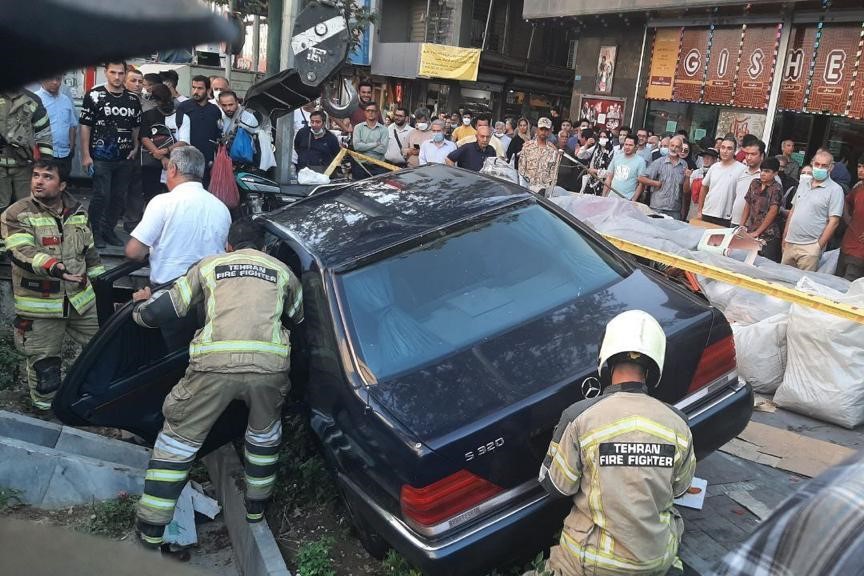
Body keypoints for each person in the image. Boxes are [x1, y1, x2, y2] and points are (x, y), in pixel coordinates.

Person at [131, 217, 304, 548]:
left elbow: (164, 310)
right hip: (269, 368)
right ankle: (255, 509)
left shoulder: (210, 265)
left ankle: (150, 529)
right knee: (264, 436)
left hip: (213, 366)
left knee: (177, 442)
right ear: (264, 248)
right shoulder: (282, 271)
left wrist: (139, 310)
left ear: (228, 245)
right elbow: (297, 318)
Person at [529, 310, 695, 576]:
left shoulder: (580, 417)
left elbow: (558, 486)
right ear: (654, 366)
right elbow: (681, 487)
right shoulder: (678, 423)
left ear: (606, 359)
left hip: (591, 563)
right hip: (654, 560)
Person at [0, 159, 104, 410]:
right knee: (45, 368)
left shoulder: (78, 211)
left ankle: (94, 403)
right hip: (40, 307)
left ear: (62, 185)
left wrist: (102, 289)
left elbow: (91, 256)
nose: (38, 181)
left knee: (104, 350)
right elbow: (21, 250)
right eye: (36, 175)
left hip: (81, 301)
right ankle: (44, 413)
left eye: (47, 176)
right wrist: (55, 267)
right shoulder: (17, 213)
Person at [125, 146, 231, 285]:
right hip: (210, 293)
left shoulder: (162, 202)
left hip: (169, 294)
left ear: (172, 169)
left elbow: (134, 252)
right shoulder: (221, 208)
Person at [79, 60, 141, 248]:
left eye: (120, 73)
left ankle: (108, 230)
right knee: (101, 195)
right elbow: (85, 126)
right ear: (105, 73)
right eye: (113, 72)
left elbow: (136, 125)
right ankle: (94, 232)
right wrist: (85, 155)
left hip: (124, 157)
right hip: (100, 157)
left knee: (118, 197)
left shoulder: (132, 99)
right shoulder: (94, 95)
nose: (117, 77)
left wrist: (135, 146)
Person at [781, 149, 845, 271]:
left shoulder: (835, 190)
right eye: (817, 164)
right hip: (790, 243)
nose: (819, 168)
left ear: (830, 168)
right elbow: (793, 211)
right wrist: (785, 237)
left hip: (810, 247)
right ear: (812, 164)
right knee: (782, 283)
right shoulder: (803, 184)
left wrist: (818, 247)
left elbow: (834, 222)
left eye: (824, 166)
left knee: (801, 286)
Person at [138, 84, 186, 203]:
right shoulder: (148, 115)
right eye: (159, 100)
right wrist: (160, 155)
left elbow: (184, 141)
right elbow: (144, 137)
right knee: (151, 196)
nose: (162, 103)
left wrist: (164, 152)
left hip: (175, 162)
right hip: (152, 163)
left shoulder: (181, 116)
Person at [175, 75, 221, 185]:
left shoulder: (215, 110)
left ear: (208, 90)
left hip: (207, 159)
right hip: (187, 157)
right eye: (194, 87)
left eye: (200, 88)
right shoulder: (184, 107)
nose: (196, 91)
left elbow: (218, 135)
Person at [741, 157, 783, 262]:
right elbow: (748, 204)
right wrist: (741, 225)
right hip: (750, 229)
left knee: (763, 263)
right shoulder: (755, 183)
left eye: (767, 171)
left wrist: (758, 232)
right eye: (762, 170)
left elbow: (773, 211)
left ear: (775, 173)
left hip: (768, 235)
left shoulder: (776, 188)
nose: (763, 174)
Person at [697, 136, 745, 227]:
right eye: (723, 148)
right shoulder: (714, 167)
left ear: (734, 151)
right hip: (707, 212)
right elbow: (704, 187)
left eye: (729, 148)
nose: (725, 151)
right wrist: (700, 210)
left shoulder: (742, 169)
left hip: (726, 217)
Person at [35, 76, 77, 179]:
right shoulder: (35, 99)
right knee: (45, 190)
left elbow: (72, 125)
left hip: (64, 155)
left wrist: (71, 148)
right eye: (51, 78)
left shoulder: (65, 100)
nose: (55, 82)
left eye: (58, 79)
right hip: (44, 155)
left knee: (62, 187)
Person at [638, 135, 687, 219]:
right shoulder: (659, 162)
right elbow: (641, 178)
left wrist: (683, 209)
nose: (674, 148)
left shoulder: (684, 165)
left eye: (677, 146)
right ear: (668, 147)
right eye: (672, 145)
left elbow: (684, 190)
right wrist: (655, 183)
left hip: (675, 209)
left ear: (680, 149)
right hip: (658, 207)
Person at [836, 154, 864, 281]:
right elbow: (846, 202)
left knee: (847, 289)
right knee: (835, 285)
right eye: (859, 166)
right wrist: (847, 218)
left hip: (860, 253)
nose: (861, 170)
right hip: (846, 246)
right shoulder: (858, 188)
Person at [517, 117, 562, 194]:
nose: (543, 132)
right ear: (537, 130)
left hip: (543, 191)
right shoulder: (527, 146)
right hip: (527, 189)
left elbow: (554, 176)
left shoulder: (553, 151)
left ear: (550, 131)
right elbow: (521, 169)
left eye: (546, 130)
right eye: (541, 129)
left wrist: (549, 193)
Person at [731, 138, 766, 227]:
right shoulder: (740, 172)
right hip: (734, 221)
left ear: (762, 156)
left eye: (753, 154)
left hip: (753, 226)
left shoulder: (767, 176)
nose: (749, 157)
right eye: (747, 154)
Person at [351, 101, 389, 178]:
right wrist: (375, 144)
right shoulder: (358, 128)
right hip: (361, 166)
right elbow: (357, 147)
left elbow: (382, 149)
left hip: (378, 167)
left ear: (377, 113)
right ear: (365, 112)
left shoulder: (384, 130)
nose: (370, 113)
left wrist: (363, 147)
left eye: (373, 111)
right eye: (368, 111)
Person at [604, 134, 646, 202]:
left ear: (636, 147)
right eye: (626, 144)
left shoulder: (640, 161)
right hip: (611, 198)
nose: (627, 147)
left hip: (627, 200)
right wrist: (604, 196)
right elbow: (609, 178)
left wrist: (633, 200)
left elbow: (641, 184)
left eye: (630, 145)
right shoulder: (617, 157)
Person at [686, 148, 718, 221]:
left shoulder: (717, 174)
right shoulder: (695, 173)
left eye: (708, 158)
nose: (706, 160)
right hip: (694, 209)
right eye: (704, 157)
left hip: (710, 211)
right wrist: (687, 178)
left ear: (715, 160)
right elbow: (688, 190)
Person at [584, 129, 615, 195]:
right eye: (600, 137)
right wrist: (586, 144)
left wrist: (595, 171)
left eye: (605, 137)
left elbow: (610, 173)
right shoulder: (597, 149)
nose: (602, 139)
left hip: (604, 184)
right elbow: (581, 155)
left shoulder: (613, 152)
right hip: (591, 181)